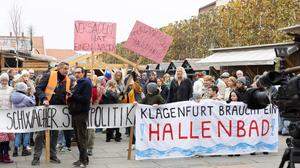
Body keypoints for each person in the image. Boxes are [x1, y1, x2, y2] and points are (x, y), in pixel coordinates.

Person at [32, 62, 72, 166]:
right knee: (40, 134)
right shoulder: (49, 75)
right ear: (59, 68)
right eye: (64, 68)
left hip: (57, 111)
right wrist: (44, 98)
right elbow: (38, 88)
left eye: (68, 69)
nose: (66, 70)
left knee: (54, 134)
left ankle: (52, 155)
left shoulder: (67, 80)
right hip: (45, 109)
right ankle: (36, 157)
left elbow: (66, 95)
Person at [68, 67, 92, 168]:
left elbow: (86, 99)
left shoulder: (86, 83)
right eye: (75, 73)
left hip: (81, 113)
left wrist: (73, 95)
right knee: (78, 138)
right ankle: (82, 159)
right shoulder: (80, 82)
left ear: (83, 73)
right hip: (76, 112)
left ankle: (84, 161)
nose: (76, 74)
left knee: (81, 138)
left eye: (78, 72)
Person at [11, 82, 36, 157]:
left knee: (18, 133)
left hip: (16, 117)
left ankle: (15, 150)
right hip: (25, 117)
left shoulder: (13, 96)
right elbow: (32, 103)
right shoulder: (25, 98)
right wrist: (32, 96)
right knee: (26, 133)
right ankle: (25, 149)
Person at [0, 73, 14, 163]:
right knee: (1, 137)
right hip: (0, 115)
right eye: (2, 80)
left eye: (5, 80)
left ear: (8, 80)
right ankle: (1, 155)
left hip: (8, 116)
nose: (4, 82)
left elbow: (13, 102)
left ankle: (6, 155)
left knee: (7, 137)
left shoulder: (11, 89)